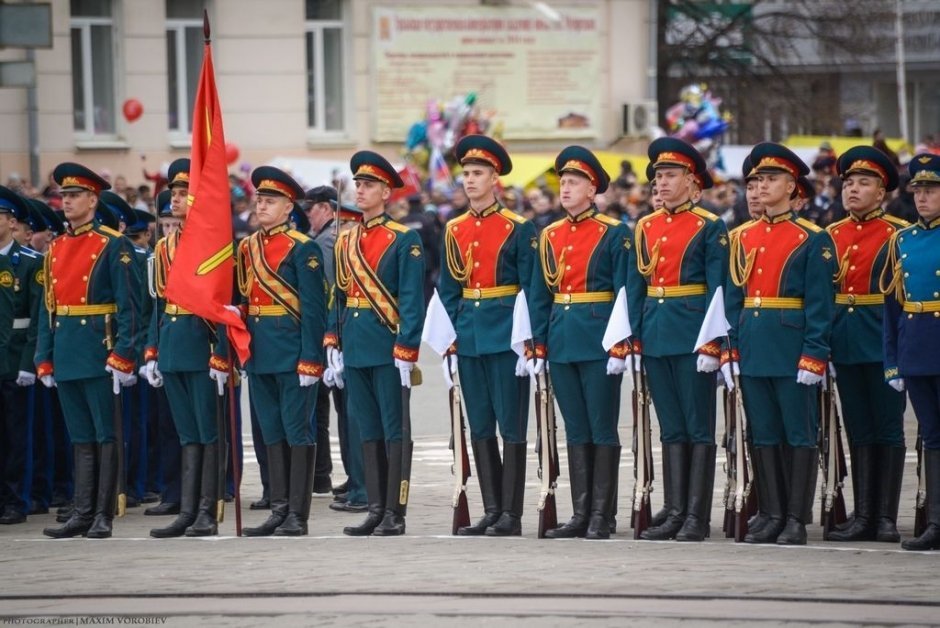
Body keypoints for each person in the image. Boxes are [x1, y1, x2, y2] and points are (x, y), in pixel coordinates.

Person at [725, 143, 837, 545]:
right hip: (755, 345)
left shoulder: (812, 238)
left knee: (799, 433)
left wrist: (813, 353)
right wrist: (731, 346)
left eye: (770, 179)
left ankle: (795, 516)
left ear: (792, 186)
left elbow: (821, 305)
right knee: (764, 433)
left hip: (791, 346)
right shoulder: (742, 237)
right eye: (756, 180)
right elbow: (735, 298)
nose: (761, 186)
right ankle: (771, 512)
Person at [437, 135, 539, 537]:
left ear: (495, 178)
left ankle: (511, 514)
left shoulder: (519, 227)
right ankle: (491, 508)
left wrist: (529, 342)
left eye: (478, 173)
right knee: (479, 425)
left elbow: (531, 288)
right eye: (466, 174)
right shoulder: (454, 229)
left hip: (506, 336)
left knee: (510, 426)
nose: (470, 181)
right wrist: (449, 336)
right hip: (470, 334)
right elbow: (448, 288)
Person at [629, 138, 729, 542]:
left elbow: (717, 289)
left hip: (692, 335)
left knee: (697, 427)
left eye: (671, 175)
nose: (662, 183)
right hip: (656, 333)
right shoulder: (646, 226)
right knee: (670, 427)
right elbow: (637, 286)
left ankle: (696, 515)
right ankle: (674, 509)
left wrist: (713, 342)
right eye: (658, 176)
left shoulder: (710, 226)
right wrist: (633, 338)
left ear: (692, 181)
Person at [36, 162, 143, 539]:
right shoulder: (58, 247)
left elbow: (130, 305)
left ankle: (103, 512)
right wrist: (43, 356)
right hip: (67, 348)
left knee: (105, 434)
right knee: (79, 435)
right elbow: (48, 308)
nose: (66, 202)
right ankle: (82, 511)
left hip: (100, 348)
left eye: (74, 195)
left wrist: (124, 354)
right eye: (63, 196)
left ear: (93, 200)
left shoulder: (114, 244)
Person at [532, 146, 632, 539]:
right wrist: (538, 344)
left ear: (593, 190)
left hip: (599, 339)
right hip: (562, 338)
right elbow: (541, 294)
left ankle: (602, 515)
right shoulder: (550, 235)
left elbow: (625, 292)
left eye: (575, 183)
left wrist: (622, 343)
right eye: (564, 183)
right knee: (574, 428)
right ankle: (580, 512)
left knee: (601, 427)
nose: (566, 189)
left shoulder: (614, 233)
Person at [327, 151, 425, 537]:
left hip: (387, 345)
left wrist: (407, 346)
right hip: (356, 344)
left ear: (386, 192)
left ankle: (395, 512)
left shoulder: (405, 239)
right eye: (358, 185)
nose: (361, 190)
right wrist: (333, 337)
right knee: (366, 427)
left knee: (393, 429)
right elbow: (339, 294)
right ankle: (374, 506)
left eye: (368, 185)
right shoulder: (346, 240)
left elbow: (412, 298)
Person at [234, 166, 327, 537]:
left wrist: (311, 357)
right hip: (259, 353)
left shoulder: (303, 249)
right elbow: (244, 299)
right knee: (270, 431)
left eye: (270, 201)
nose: (262, 206)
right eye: (259, 199)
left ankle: (298, 515)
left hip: (292, 352)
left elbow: (314, 308)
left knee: (296, 431)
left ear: (289, 207)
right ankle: (278, 506)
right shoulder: (247, 247)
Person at [823, 146, 909, 543]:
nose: (853, 190)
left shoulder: (897, 233)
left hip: (883, 338)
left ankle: (886, 517)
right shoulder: (831, 236)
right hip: (845, 341)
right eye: (849, 183)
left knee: (888, 428)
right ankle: (864, 514)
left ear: (883, 192)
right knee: (858, 428)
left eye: (864, 183)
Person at [142, 158, 231, 537]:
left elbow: (227, 304)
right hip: (174, 345)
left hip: (201, 345)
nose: (176, 201)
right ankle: (189, 508)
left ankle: (207, 511)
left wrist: (221, 353)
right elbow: (157, 303)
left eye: (183, 194)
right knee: (187, 434)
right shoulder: (164, 248)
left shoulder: (214, 246)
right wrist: (152, 349)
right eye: (173, 194)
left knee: (208, 432)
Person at [882, 153, 940, 551]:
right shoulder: (902, 240)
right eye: (918, 191)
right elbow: (892, 307)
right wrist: (893, 360)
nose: (922, 198)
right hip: (917, 346)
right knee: (932, 437)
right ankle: (936, 521)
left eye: (931, 190)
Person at [304, 186, 368, 512]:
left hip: (341, 333)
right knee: (345, 414)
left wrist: (331, 337)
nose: (307, 214)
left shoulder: (329, 243)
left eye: (311, 208)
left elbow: (331, 292)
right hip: (339, 333)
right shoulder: (332, 241)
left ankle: (361, 479)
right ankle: (355, 476)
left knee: (351, 413)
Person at [0, 187, 43, 524]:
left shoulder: (30, 263)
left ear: (11, 222)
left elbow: (36, 318)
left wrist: (30, 363)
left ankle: (16, 500)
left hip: (15, 363)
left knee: (16, 437)